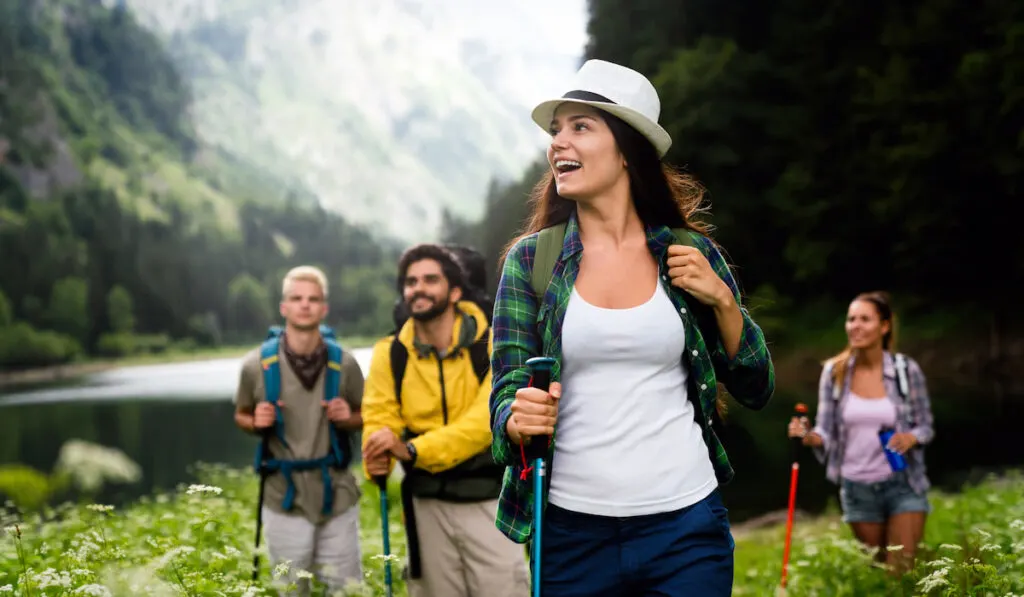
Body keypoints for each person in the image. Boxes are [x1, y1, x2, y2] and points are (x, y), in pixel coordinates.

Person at [488, 59, 776, 596]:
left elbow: (757, 388)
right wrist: (513, 418)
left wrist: (724, 304)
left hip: (686, 528)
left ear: (626, 152)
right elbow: (504, 396)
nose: (558, 143)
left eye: (580, 127)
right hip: (570, 533)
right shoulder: (531, 263)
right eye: (556, 130)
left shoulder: (690, 254)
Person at [361, 243, 529, 597]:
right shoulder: (389, 353)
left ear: (454, 291)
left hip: (489, 501)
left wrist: (410, 449)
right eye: (410, 281)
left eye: (429, 279)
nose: (417, 288)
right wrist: (375, 455)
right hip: (425, 506)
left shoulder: (492, 341)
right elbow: (378, 417)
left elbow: (485, 421)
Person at [233, 265, 365, 595]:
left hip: (336, 492)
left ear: (324, 308)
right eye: (297, 298)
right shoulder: (256, 366)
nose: (305, 305)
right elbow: (241, 414)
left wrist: (348, 416)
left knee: (347, 589)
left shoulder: (345, 363)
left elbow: (369, 415)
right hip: (283, 497)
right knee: (291, 590)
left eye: (313, 299)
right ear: (284, 308)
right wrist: (256, 421)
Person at [788, 290, 934, 574]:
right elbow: (825, 433)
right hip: (856, 489)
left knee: (899, 572)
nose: (855, 325)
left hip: (903, 484)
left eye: (865, 319)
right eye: (851, 319)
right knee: (880, 569)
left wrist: (911, 437)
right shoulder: (834, 373)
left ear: (885, 326)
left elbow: (926, 426)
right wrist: (807, 436)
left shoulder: (906, 371)